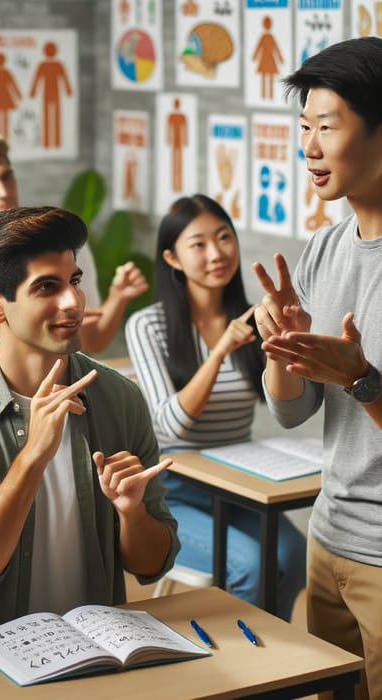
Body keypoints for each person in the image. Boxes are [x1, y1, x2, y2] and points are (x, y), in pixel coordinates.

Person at [0, 206, 179, 637]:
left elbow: (152, 564)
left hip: (94, 651)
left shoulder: (120, 399)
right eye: (46, 287)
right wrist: (32, 455)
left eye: (73, 281)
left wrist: (133, 514)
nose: (73, 302)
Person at [252, 37, 382, 699]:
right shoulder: (324, 249)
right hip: (327, 538)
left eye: (327, 128)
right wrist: (285, 349)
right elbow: (293, 409)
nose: (308, 148)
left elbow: (359, 386)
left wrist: (363, 379)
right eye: (303, 128)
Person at [124, 194, 306, 620]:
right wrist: (220, 349)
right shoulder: (147, 325)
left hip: (236, 483)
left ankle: (271, 665)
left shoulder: (253, 317)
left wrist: (290, 337)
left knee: (295, 555)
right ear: (172, 257)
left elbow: (284, 400)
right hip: (171, 491)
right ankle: (248, 670)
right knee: (248, 566)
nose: (217, 253)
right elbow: (172, 424)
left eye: (224, 237)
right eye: (199, 244)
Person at [0, 133, 148, 359]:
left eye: (7, 177)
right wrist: (34, 314)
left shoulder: (61, 239)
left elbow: (93, 340)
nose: (3, 191)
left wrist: (118, 298)